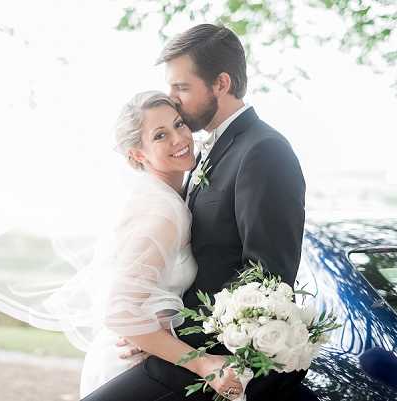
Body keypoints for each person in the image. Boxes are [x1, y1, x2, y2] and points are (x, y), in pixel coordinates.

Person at [82, 23, 306, 401]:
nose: (175, 101)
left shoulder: (263, 151)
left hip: (213, 362)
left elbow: (268, 279)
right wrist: (151, 333)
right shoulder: (207, 152)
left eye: (182, 88)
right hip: (176, 354)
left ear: (220, 83)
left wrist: (167, 341)